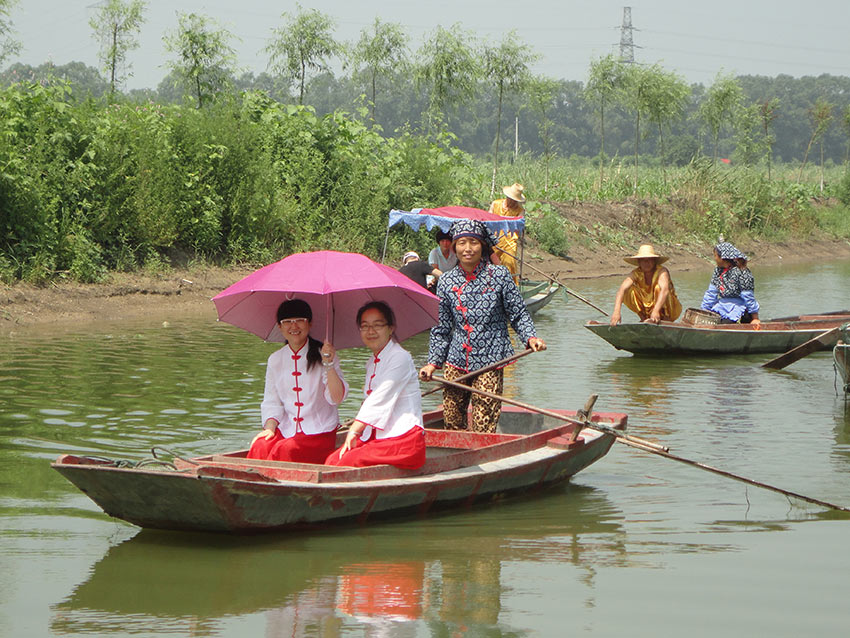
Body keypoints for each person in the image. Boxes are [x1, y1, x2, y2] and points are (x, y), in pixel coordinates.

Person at [418, 219, 547, 433]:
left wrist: (530, 338)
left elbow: (518, 313)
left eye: (473, 242)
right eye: (461, 243)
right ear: (454, 246)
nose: (467, 249)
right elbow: (441, 328)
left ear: (482, 246)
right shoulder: (447, 282)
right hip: (456, 360)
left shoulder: (500, 276)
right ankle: (458, 460)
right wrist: (432, 363)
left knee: (483, 422)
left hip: (491, 359)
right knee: (451, 419)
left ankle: (481, 455)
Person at [325, 301, 426, 469]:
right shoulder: (372, 361)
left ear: (391, 328)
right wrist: (328, 362)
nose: (370, 331)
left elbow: (379, 398)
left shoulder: (400, 357)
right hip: (379, 437)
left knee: (346, 462)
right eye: (364, 326)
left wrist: (354, 429)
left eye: (377, 325)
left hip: (404, 440)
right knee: (332, 461)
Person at [248, 299, 349, 463]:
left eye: (300, 321)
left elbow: (336, 398)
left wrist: (328, 364)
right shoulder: (275, 359)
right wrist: (270, 428)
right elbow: (272, 401)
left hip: (319, 432)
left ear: (310, 324)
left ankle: (272, 485)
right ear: (279, 327)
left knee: (286, 449)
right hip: (287, 430)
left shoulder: (325, 354)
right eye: (287, 322)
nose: (294, 327)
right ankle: (250, 485)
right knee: (260, 446)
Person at [610, 244, 682, 325]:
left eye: (649, 260)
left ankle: (666, 319)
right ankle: (644, 317)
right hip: (648, 306)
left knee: (659, 288)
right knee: (628, 290)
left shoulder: (662, 271)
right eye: (643, 260)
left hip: (670, 308)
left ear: (654, 261)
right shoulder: (636, 273)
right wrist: (616, 312)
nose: (646, 263)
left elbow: (664, 290)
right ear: (639, 262)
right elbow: (621, 290)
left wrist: (656, 310)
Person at [701, 242, 761, 324]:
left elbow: (748, 295)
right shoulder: (718, 271)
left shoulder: (742, 272)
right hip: (721, 307)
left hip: (738, 308)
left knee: (725, 324)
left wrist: (755, 318)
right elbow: (711, 293)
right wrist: (704, 311)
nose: (714, 258)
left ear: (722, 258)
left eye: (715, 256)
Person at [488, 182, 526, 282]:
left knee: (509, 263)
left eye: (515, 200)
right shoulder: (496, 204)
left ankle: (511, 287)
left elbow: (519, 224)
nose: (513, 202)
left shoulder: (520, 210)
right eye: (511, 199)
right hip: (494, 239)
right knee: (489, 262)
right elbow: (488, 220)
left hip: (509, 241)